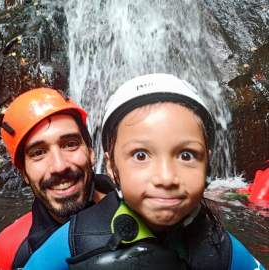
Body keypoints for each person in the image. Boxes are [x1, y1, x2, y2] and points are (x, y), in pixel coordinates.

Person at [23, 74, 265, 269]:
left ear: (207, 164)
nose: (166, 178)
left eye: (186, 155)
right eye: (141, 155)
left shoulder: (220, 248)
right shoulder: (76, 241)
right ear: (111, 167)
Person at [0, 88, 113, 269]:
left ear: (92, 153)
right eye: (38, 153)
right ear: (24, 173)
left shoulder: (147, 211)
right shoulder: (10, 248)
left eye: (70, 144)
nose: (59, 166)